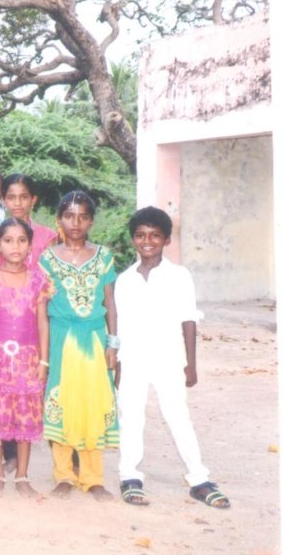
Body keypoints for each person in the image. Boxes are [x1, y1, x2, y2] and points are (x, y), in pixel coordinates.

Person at [115, 207, 229, 509]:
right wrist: (119, 364)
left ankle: (199, 479)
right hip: (133, 359)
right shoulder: (124, 280)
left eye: (154, 235)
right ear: (133, 239)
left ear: (166, 239)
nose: (147, 241)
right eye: (140, 235)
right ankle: (130, 476)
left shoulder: (179, 276)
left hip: (168, 358)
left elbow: (188, 320)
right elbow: (121, 325)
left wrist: (191, 364)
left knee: (177, 416)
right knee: (131, 418)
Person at [38, 191, 118, 501]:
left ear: (91, 221)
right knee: (62, 401)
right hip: (62, 337)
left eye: (83, 217)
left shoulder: (104, 256)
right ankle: (63, 476)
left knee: (93, 402)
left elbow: (110, 302)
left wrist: (113, 344)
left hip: (94, 339)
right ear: (59, 220)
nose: (76, 223)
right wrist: (44, 355)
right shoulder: (47, 259)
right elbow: (42, 308)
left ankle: (93, 478)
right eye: (69, 216)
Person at [0, 218, 50, 497]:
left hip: (28, 359)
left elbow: (43, 323)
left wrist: (43, 361)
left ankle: (22, 475)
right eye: (9, 240)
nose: (16, 246)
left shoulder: (38, 280)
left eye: (22, 240)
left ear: (30, 246)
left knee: (26, 415)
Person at [0, 174, 59, 270]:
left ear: (33, 200)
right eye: (11, 197)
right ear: (3, 200)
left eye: (24, 197)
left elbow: (51, 273)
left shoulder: (47, 236)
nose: (17, 203)